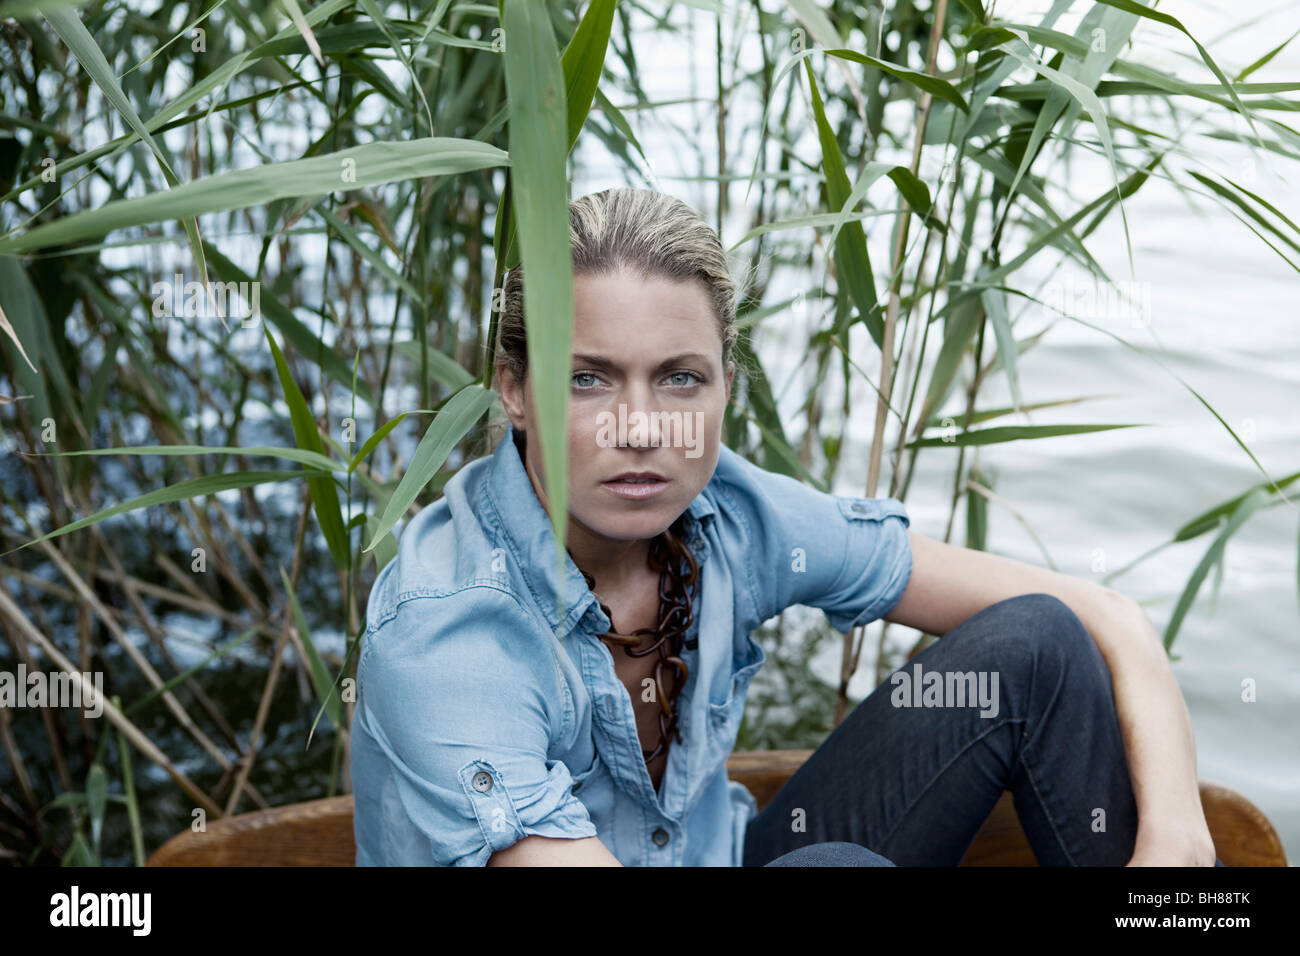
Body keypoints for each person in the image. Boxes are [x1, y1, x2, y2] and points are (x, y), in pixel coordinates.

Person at [350, 187, 1220, 867]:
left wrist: (1174, 841)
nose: (643, 428)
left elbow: (1108, 619)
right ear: (513, 388)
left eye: (681, 379)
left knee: (1037, 644)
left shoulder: (727, 514)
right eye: (589, 380)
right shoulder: (449, 631)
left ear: (728, 381)